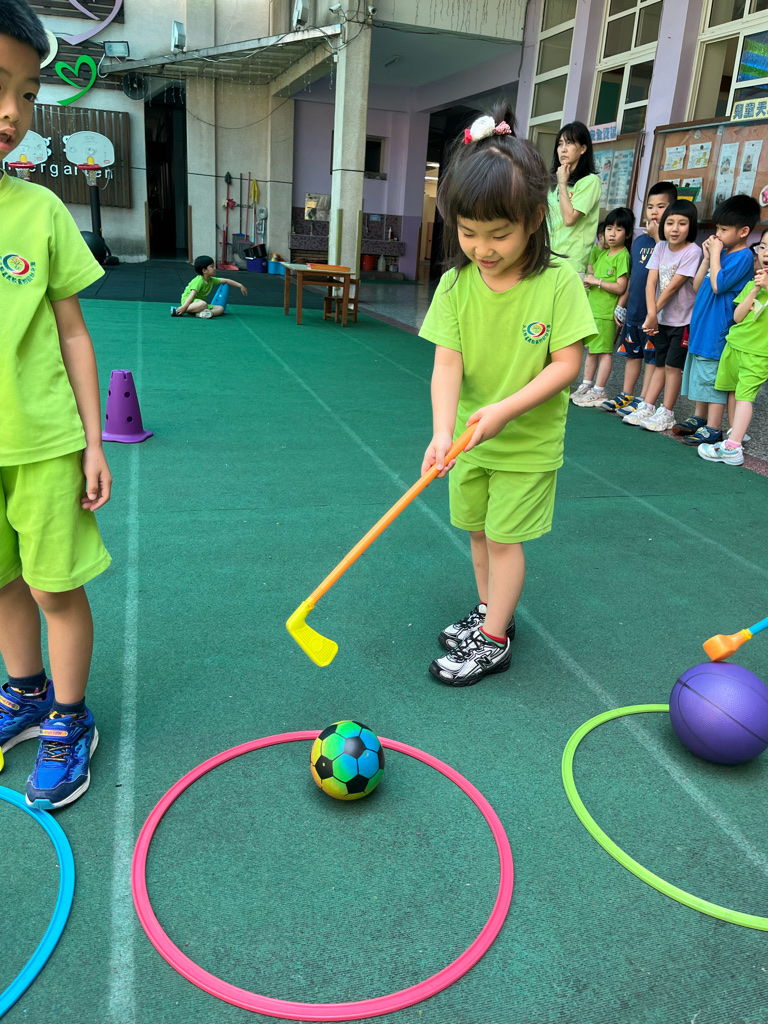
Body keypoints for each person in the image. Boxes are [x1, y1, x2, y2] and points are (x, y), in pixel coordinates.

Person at [418, 106, 596, 687]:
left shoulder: (558, 282)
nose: (482, 248)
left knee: (502, 539)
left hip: (525, 445)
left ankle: (494, 640)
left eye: (499, 234)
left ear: (535, 219)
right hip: (470, 440)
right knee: (476, 532)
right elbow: (447, 363)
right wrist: (443, 431)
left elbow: (567, 365)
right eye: (468, 232)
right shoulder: (454, 283)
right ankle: (491, 611)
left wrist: (505, 409)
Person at [0, 0, 112, 808]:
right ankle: (25, 691)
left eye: (27, 93)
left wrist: (94, 441)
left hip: (43, 441)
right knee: (2, 584)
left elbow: (73, 332)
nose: (12, 111)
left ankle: (70, 717)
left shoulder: (39, 211)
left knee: (52, 588)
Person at [676, 195, 759, 446]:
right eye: (717, 228)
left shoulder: (743, 257)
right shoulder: (720, 254)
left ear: (743, 232)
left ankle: (713, 427)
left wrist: (715, 255)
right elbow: (698, 285)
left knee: (712, 376)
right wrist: (707, 258)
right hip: (702, 325)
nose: (718, 234)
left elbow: (718, 285)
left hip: (717, 328)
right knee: (699, 372)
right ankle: (699, 417)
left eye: (724, 229)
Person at [624, 200, 702, 431]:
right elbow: (651, 283)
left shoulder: (693, 251)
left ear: (691, 226)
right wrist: (652, 314)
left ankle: (667, 412)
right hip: (660, 318)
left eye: (682, 223)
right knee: (659, 363)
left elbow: (673, 287)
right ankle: (648, 405)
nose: (675, 229)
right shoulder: (660, 248)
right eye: (670, 223)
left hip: (682, 320)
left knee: (672, 367)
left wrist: (652, 314)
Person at [601, 181, 677, 415]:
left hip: (655, 314)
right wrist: (621, 305)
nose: (654, 212)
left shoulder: (672, 243)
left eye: (661, 207)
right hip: (634, 310)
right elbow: (633, 276)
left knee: (652, 358)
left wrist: (658, 238)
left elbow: (669, 272)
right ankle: (627, 394)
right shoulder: (640, 240)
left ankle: (644, 399)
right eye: (650, 207)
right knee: (632, 354)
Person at [698, 225, 768, 466]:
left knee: (745, 396)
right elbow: (738, 317)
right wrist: (756, 288)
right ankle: (734, 433)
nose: (766, 253)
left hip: (757, 353)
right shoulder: (753, 284)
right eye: (763, 247)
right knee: (732, 392)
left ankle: (733, 448)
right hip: (734, 346)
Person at [571, 206, 633, 407]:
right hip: (594, 310)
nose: (612, 233)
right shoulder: (604, 254)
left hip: (606, 313)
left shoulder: (622, 256)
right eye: (609, 228)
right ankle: (586, 385)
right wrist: (590, 283)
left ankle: (599, 390)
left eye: (618, 229)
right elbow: (597, 280)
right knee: (591, 350)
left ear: (628, 234)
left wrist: (597, 281)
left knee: (605, 352)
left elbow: (621, 286)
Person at [547, 121, 601, 275]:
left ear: (583, 149)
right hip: (547, 259)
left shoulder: (590, 181)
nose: (563, 149)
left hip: (571, 264)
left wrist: (562, 183)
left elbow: (569, 219)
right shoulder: (552, 182)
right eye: (560, 144)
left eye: (569, 143)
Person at [171, 255, 247, 318]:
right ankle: (179, 310)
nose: (214, 268)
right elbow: (192, 295)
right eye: (212, 266)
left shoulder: (212, 280)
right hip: (188, 302)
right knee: (203, 304)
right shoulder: (199, 281)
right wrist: (184, 307)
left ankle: (206, 314)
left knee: (221, 308)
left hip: (200, 304)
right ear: (204, 271)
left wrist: (240, 285)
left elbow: (226, 281)